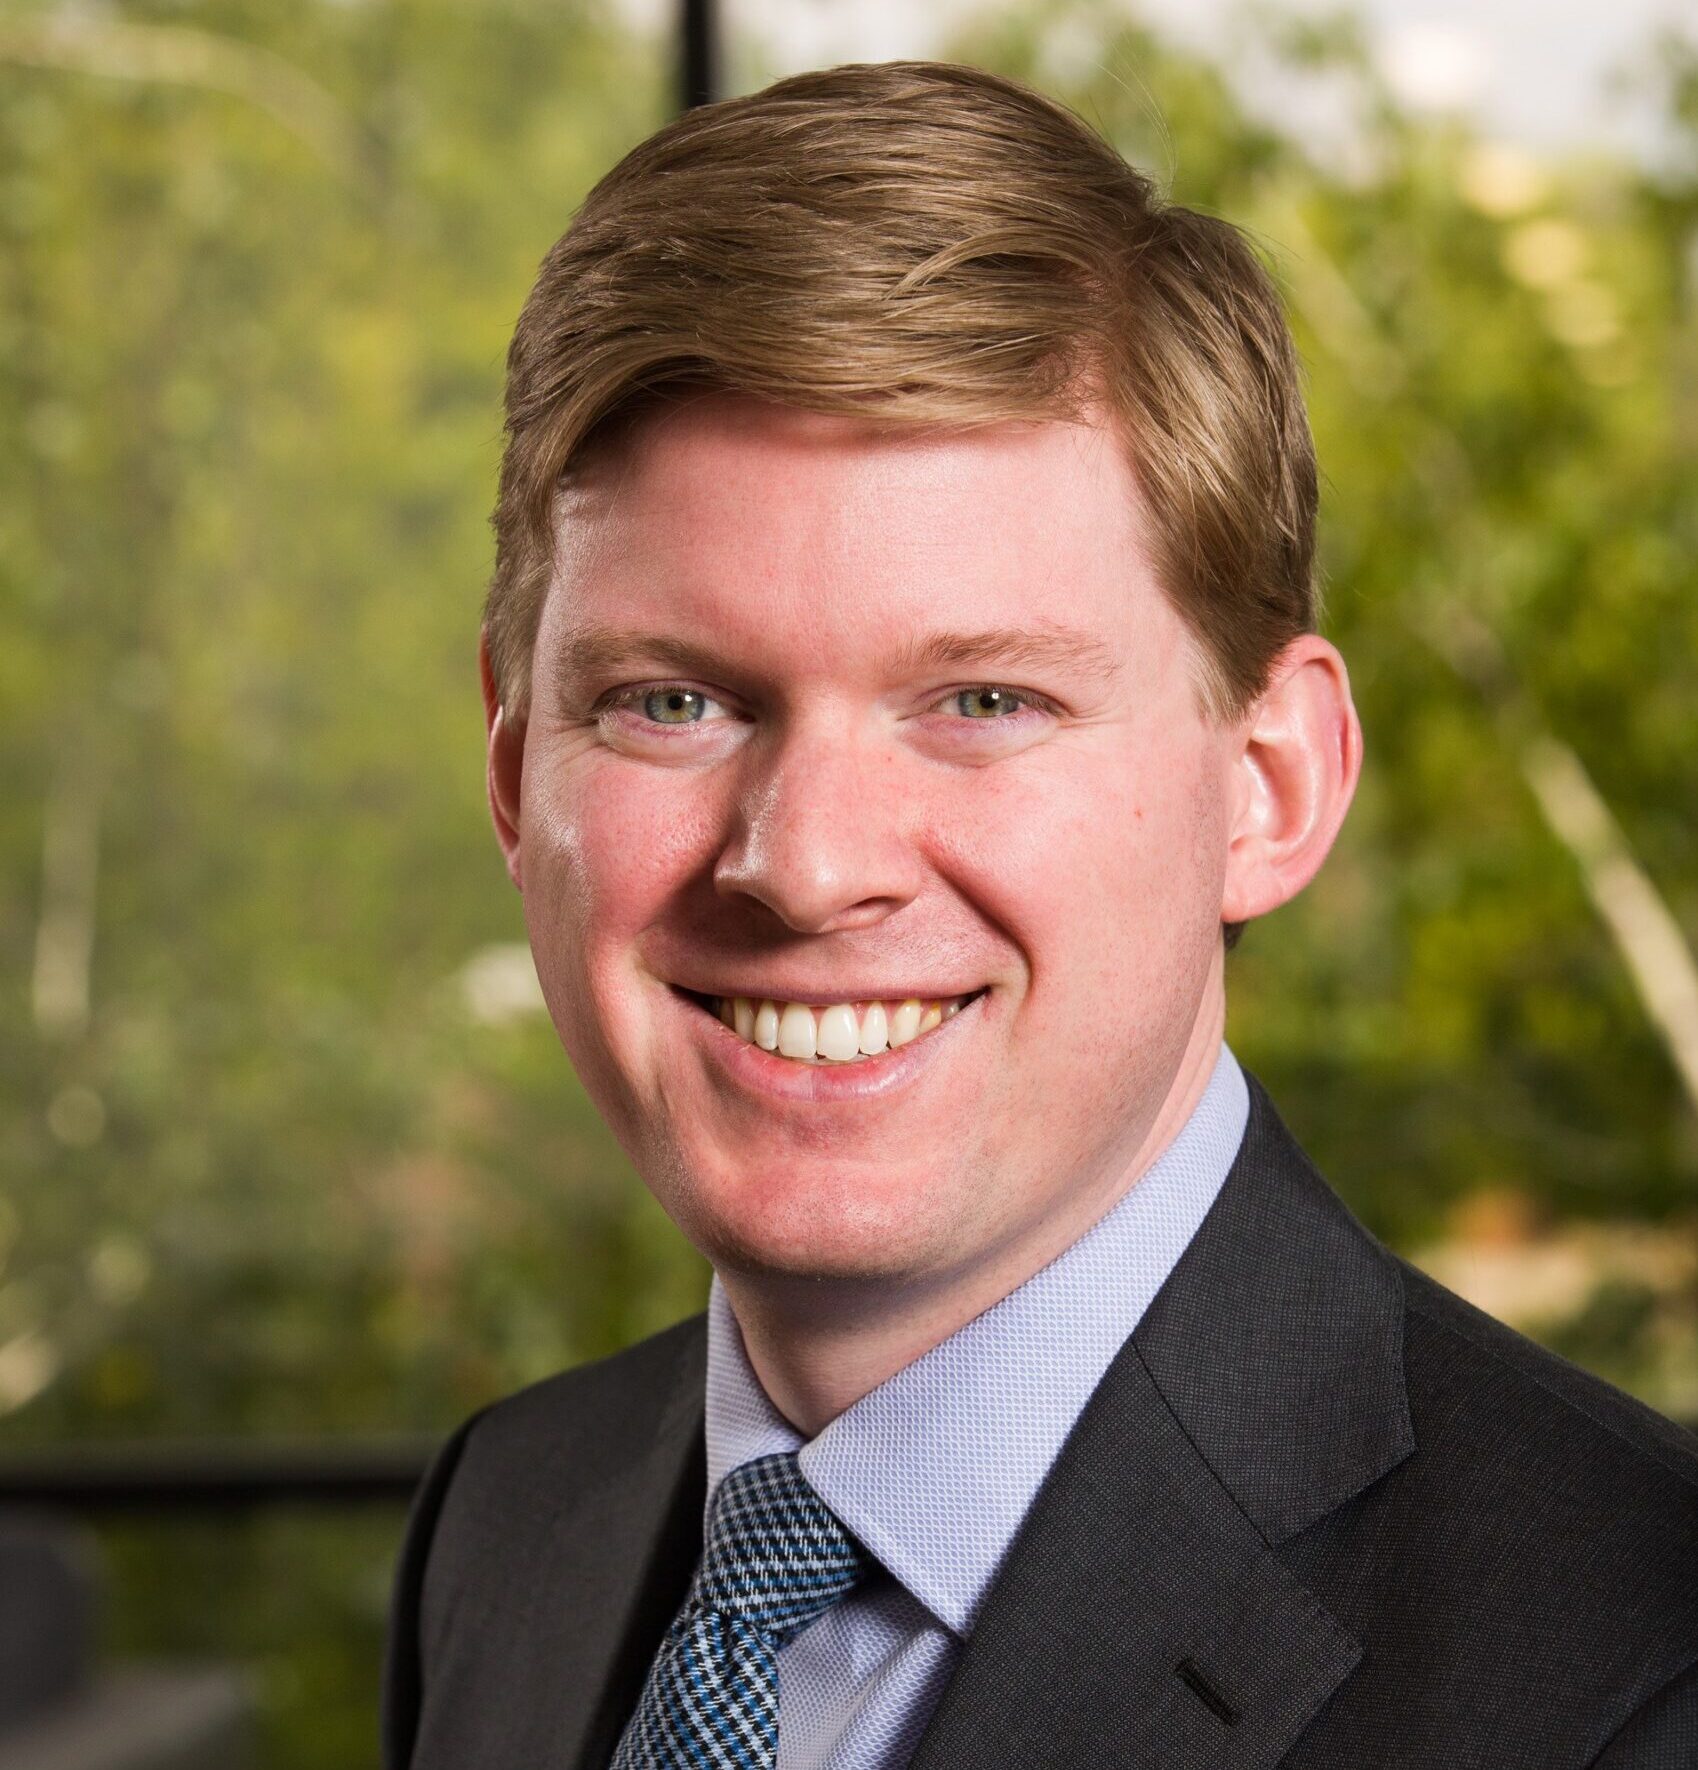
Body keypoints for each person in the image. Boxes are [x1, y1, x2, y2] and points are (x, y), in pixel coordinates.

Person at [381, 60, 1698, 1770]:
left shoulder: (1638, 1671)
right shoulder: (510, 1518)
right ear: (511, 769)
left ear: (1269, 785)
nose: (806, 863)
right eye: (672, 702)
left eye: (984, 699)